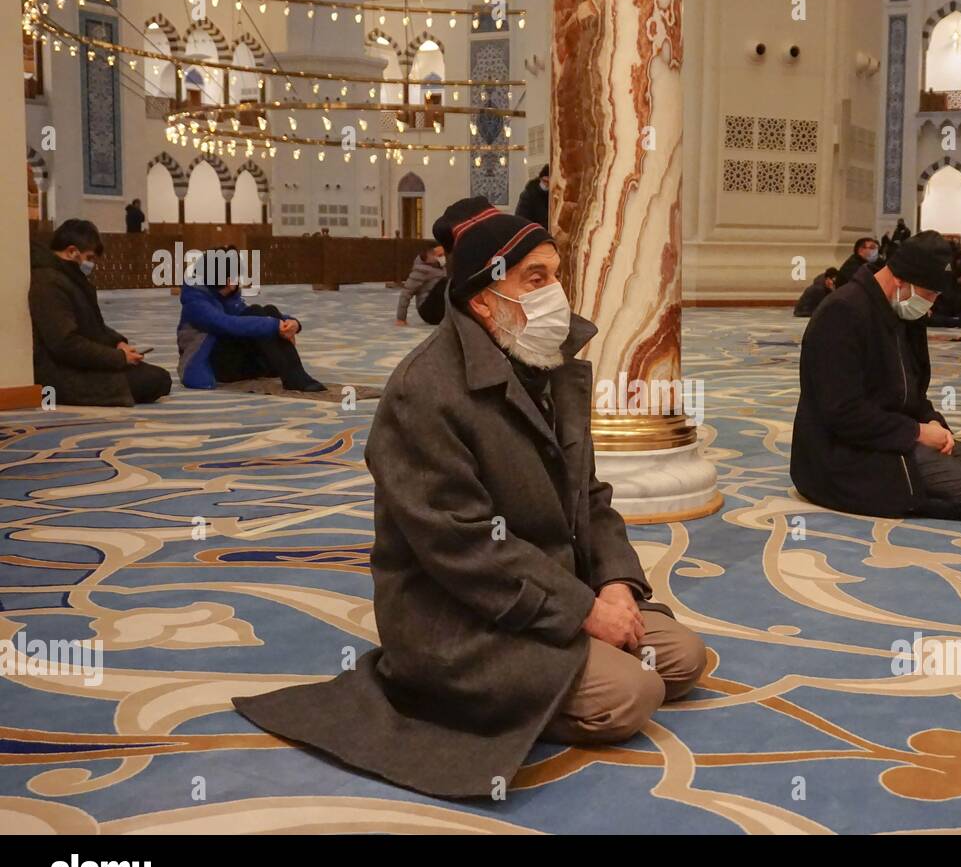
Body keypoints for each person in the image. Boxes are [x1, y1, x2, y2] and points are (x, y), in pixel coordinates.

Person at [233, 196, 706, 798]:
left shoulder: (545, 364)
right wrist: (583, 613)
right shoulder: (424, 392)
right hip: (460, 621)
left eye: (556, 276)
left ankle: (571, 656)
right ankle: (492, 697)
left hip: (554, 592)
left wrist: (616, 584)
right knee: (632, 696)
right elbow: (465, 547)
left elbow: (590, 495)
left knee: (683, 660)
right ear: (485, 297)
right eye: (536, 278)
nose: (555, 293)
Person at [791, 230, 961, 521]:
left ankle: (915, 481)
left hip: (893, 433)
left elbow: (913, 390)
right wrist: (917, 433)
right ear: (900, 280)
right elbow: (842, 412)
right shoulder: (842, 312)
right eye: (930, 294)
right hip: (845, 450)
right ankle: (895, 494)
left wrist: (932, 420)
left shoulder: (906, 312)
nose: (931, 304)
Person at [29, 219, 171, 406]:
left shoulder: (70, 279)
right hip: (62, 372)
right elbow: (65, 344)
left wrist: (117, 343)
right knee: (153, 380)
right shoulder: (48, 283)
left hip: (80, 364)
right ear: (72, 252)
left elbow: (92, 325)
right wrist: (118, 358)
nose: (91, 264)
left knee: (157, 377)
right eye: (89, 258)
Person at [176, 248, 325, 392]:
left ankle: (294, 375)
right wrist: (274, 325)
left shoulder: (224, 295)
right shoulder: (195, 302)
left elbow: (247, 315)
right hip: (213, 364)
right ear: (229, 280)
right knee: (260, 315)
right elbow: (225, 324)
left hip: (235, 361)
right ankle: (296, 379)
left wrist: (292, 324)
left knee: (268, 311)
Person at [396, 243, 446, 326]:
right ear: (428, 256)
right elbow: (406, 293)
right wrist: (401, 318)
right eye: (439, 255)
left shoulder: (441, 268)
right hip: (428, 310)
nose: (442, 258)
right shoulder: (421, 270)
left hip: (440, 308)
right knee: (444, 284)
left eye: (443, 255)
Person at [515, 163, 550, 228]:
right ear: (540, 179)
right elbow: (521, 219)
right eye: (545, 181)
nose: (546, 185)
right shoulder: (528, 195)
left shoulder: (551, 196)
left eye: (549, 183)